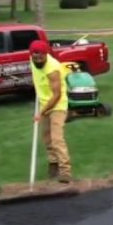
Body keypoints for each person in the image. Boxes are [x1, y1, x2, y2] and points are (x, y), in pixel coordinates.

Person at [29, 40, 72, 183]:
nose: (38, 59)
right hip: (44, 102)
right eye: (36, 56)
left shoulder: (52, 68)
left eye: (41, 56)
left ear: (46, 54)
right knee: (47, 138)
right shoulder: (32, 60)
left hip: (57, 104)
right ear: (32, 54)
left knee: (57, 138)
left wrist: (41, 112)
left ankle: (65, 172)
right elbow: (36, 75)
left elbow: (57, 95)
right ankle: (53, 165)